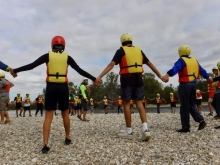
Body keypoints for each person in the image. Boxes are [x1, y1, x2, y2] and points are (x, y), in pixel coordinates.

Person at [11, 36, 97, 153]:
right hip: (63, 88)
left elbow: (31, 66)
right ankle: (67, 138)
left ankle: (45, 145)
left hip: (51, 87)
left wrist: (15, 70)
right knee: (65, 114)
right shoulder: (67, 57)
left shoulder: (47, 56)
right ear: (63, 45)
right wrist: (94, 78)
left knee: (48, 116)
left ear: (52, 45)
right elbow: (80, 70)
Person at [96, 33, 162, 141]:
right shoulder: (138, 50)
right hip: (138, 79)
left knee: (126, 103)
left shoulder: (121, 51)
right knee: (139, 102)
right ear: (131, 41)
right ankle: (146, 129)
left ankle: (129, 131)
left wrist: (100, 76)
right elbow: (149, 64)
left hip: (127, 80)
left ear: (122, 41)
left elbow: (111, 64)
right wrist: (160, 76)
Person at [161, 45, 210, 132]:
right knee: (191, 104)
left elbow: (175, 68)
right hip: (193, 84)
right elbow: (202, 70)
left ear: (180, 52)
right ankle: (201, 121)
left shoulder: (181, 60)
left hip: (185, 85)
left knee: (184, 106)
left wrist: (167, 75)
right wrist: (208, 77)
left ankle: (185, 127)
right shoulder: (195, 60)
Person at [208, 61, 220, 129]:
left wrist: (214, 82)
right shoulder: (216, 76)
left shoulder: (218, 76)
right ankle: (218, 114)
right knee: (214, 103)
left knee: (218, 104)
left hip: (218, 92)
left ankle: (219, 114)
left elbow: (216, 84)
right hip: (217, 92)